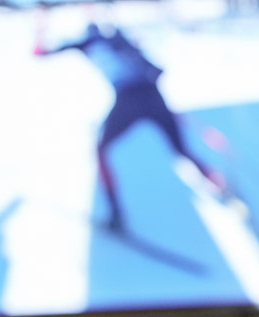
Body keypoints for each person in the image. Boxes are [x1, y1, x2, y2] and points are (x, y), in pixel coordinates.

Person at [37, 21, 226, 231]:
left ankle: (116, 215)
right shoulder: (120, 40)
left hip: (127, 99)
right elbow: (156, 71)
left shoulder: (85, 43)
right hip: (153, 96)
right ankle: (217, 182)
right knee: (181, 150)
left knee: (100, 150)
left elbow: (39, 53)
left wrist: (39, 28)